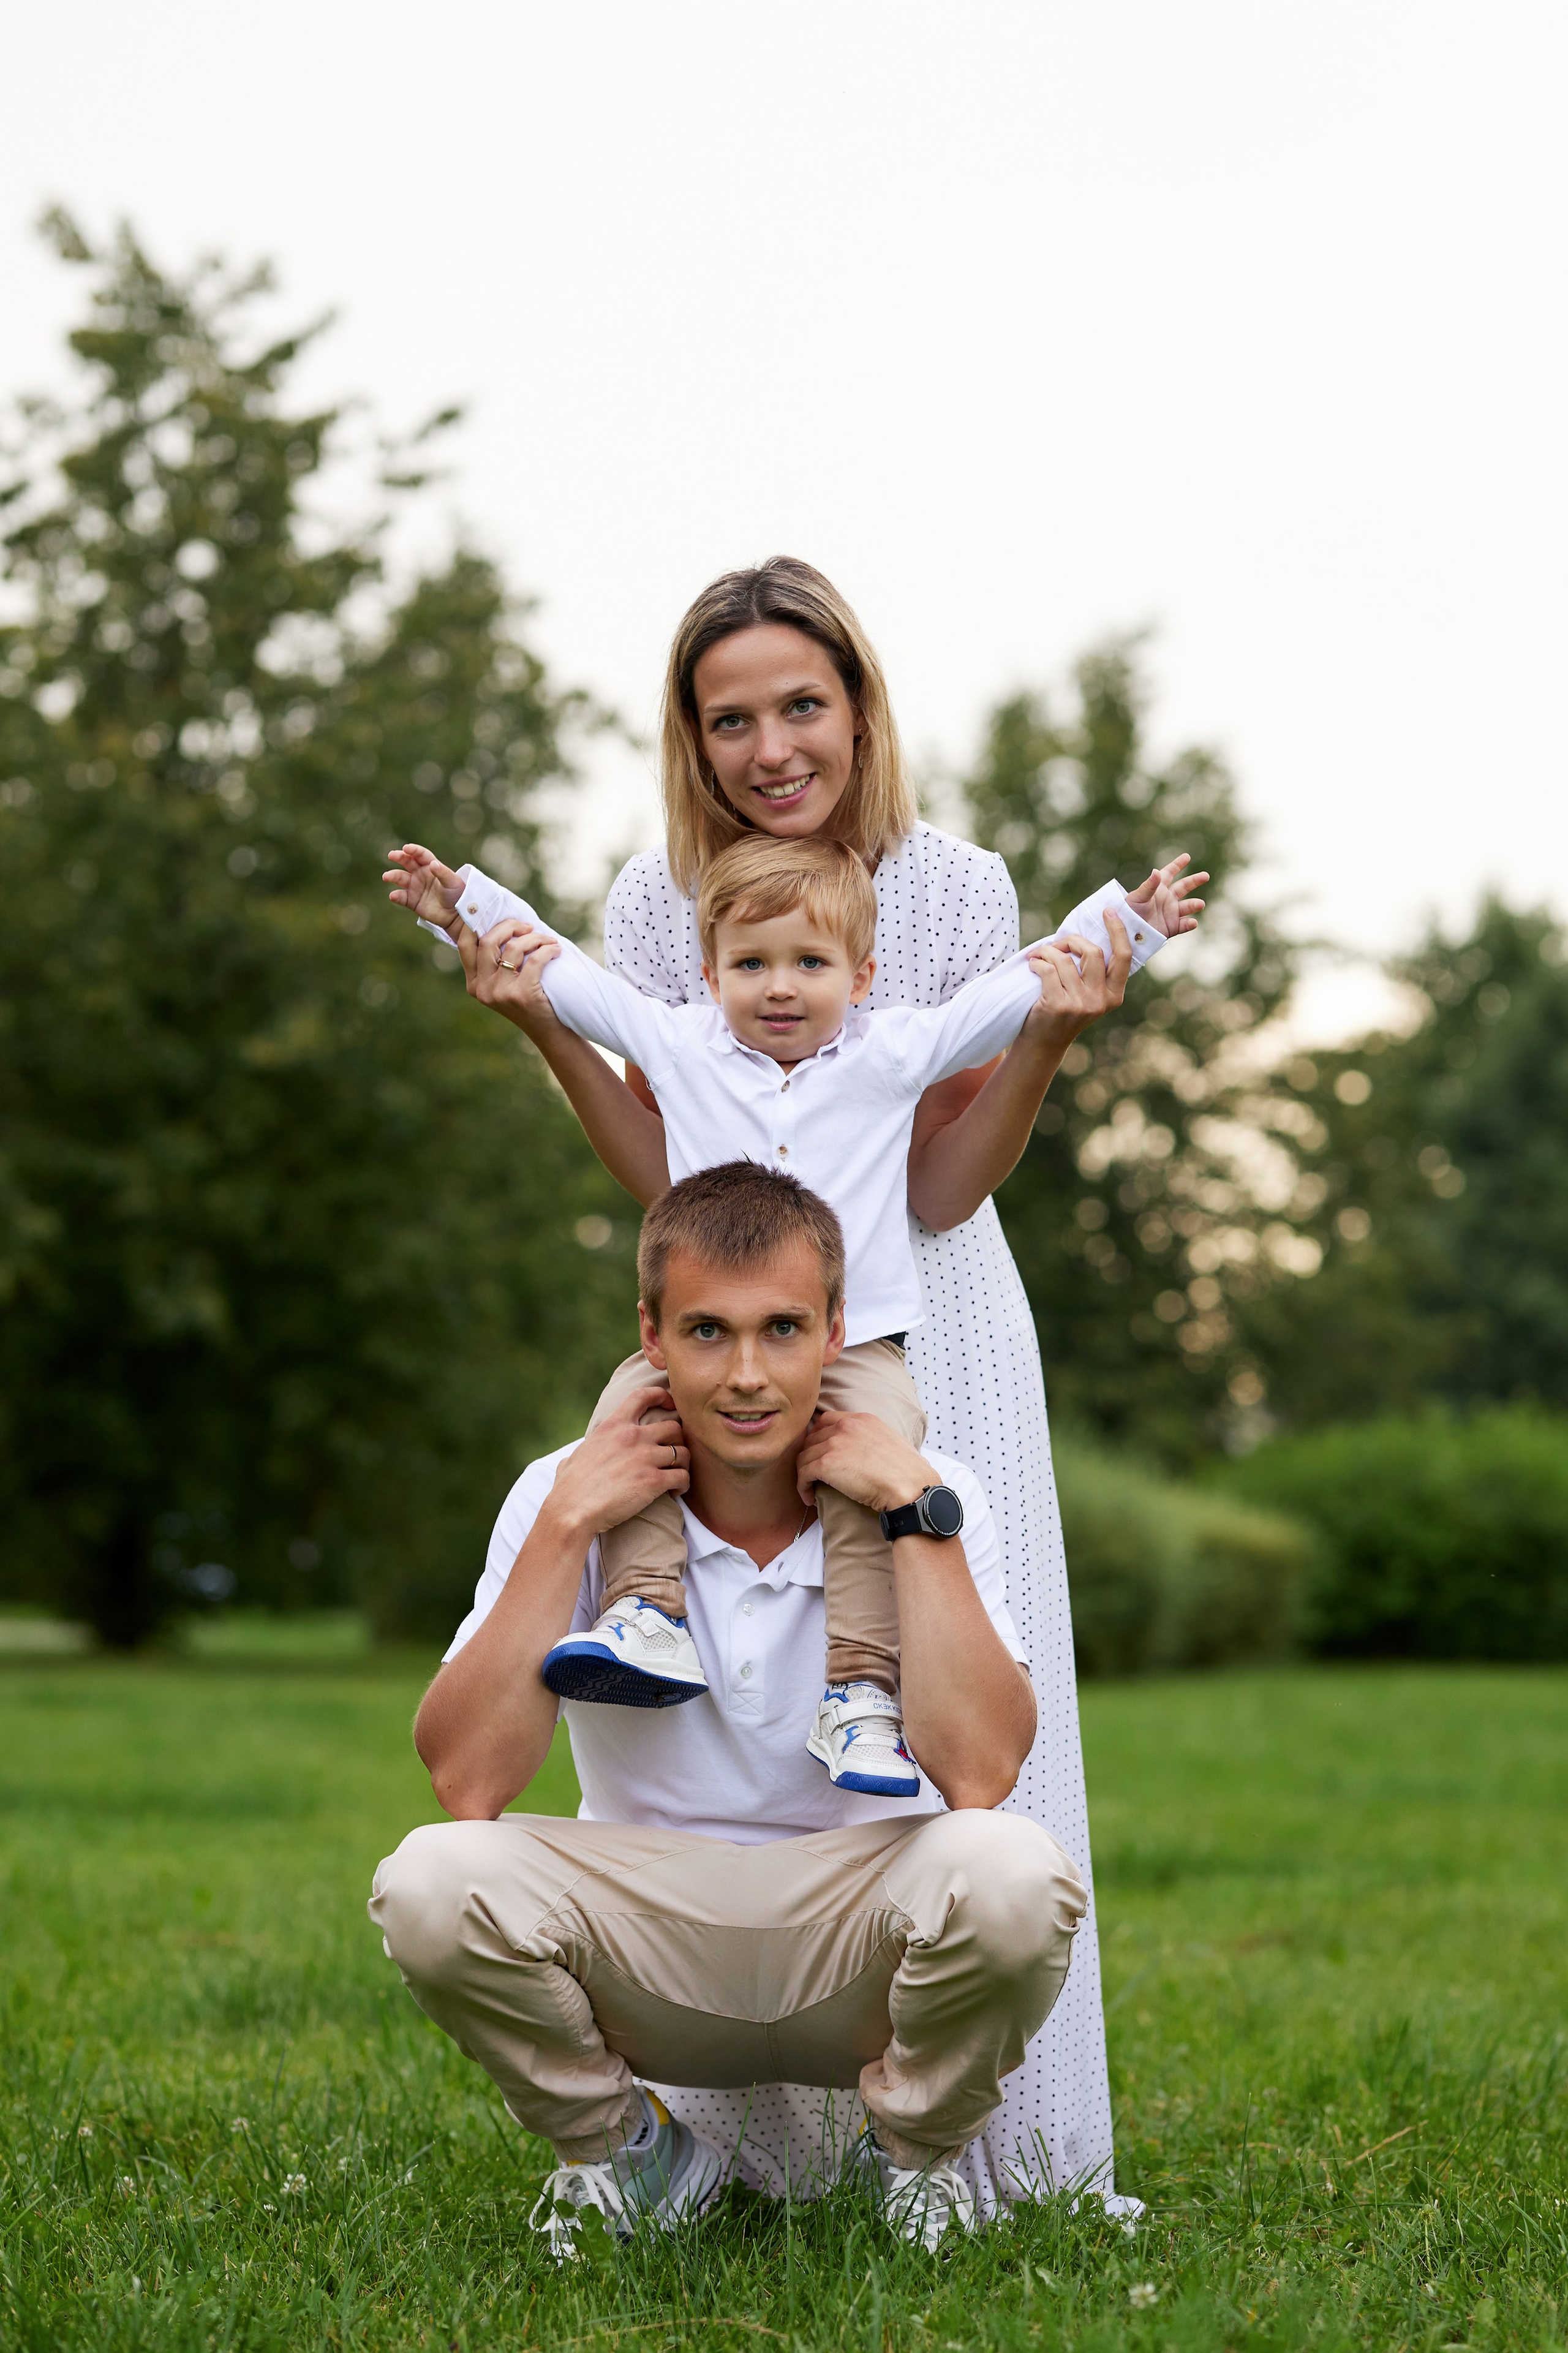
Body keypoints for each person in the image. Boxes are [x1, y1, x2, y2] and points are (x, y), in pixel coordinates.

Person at [385, 556, 1206, 2219]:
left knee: (956, 1717)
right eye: (730, 715)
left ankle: (985, 2155)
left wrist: (1050, 1032)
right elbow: (664, 1164)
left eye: (802, 705)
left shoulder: (956, 889)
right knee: (725, 1722)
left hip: (921, 1309)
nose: (772, 746)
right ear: (690, 736)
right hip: (732, 1294)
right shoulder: (649, 902)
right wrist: (546, 1031)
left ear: (860, 706)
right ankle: (732, 2155)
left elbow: (948, 1173)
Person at [371, 1161, 1089, 2256]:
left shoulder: (930, 1490)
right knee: (426, 1877)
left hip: (856, 1930)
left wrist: (909, 1512)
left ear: (837, 1332)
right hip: (645, 1932)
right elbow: (469, 1783)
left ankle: (905, 2168)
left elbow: (980, 1772)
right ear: (651, 1336)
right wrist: (569, 1525)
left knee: (1014, 1868)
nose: (748, 1375)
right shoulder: (561, 1489)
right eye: (708, 1331)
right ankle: (635, 2157)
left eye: (784, 1329)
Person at [390, 831, 1173, 1801]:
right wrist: (464, 903)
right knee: (625, 1432)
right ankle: (645, 1614)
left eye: (811, 962)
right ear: (710, 971)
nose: (780, 987)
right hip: (709, 1341)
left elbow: (1014, 992)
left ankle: (860, 1691)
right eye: (751, 964)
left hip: (860, 1348)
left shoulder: (891, 1053)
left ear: (864, 972)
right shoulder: (680, 1047)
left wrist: (1129, 925)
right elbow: (563, 972)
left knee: (869, 1482)